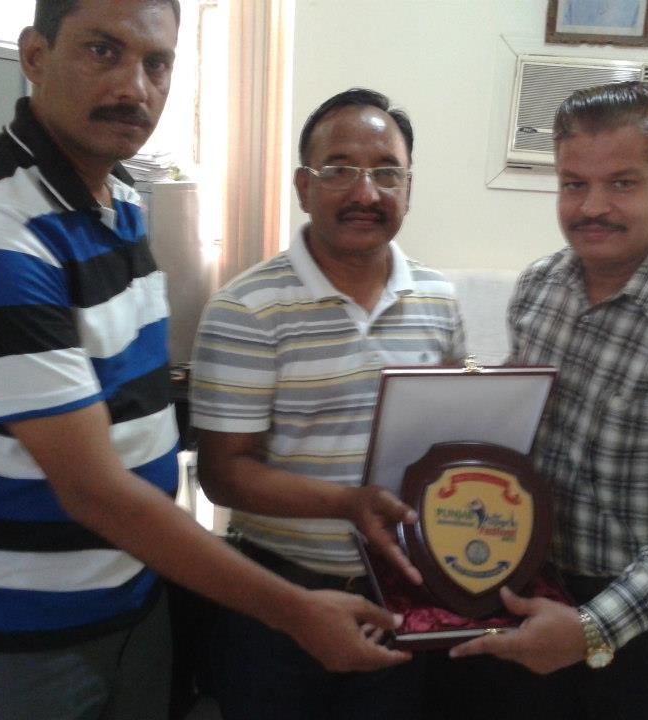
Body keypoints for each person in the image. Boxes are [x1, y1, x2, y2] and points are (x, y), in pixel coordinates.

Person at [0, 4, 412, 718]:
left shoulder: (121, 200)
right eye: (102, 51)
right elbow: (93, 490)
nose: (134, 87)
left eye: (157, 63)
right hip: (15, 633)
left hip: (134, 598)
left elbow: (131, 413)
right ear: (34, 56)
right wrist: (294, 611)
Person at [450, 82, 648, 719]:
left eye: (621, 183)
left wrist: (593, 629)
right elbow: (522, 431)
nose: (592, 207)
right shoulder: (540, 287)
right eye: (574, 184)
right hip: (531, 589)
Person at [190, 87, 466, 719]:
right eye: (339, 170)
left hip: (401, 599)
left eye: (387, 173)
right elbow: (223, 474)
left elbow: (447, 447)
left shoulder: (439, 300)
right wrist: (347, 505)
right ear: (302, 186)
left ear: (408, 189)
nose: (366, 193)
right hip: (277, 603)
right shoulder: (245, 309)